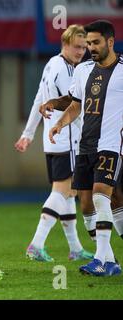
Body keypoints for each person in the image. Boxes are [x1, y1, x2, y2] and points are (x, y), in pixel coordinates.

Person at [49, 20, 122, 276]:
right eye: (88, 43)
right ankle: (111, 261)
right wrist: (60, 122)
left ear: (110, 42)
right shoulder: (83, 70)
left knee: (102, 196)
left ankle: (100, 261)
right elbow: (76, 104)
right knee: (89, 205)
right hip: (86, 146)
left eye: (95, 43)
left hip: (112, 145)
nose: (90, 47)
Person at [14, 25, 93, 262]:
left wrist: (28, 134)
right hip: (68, 139)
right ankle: (36, 244)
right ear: (65, 44)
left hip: (53, 142)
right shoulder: (68, 71)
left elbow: (40, 98)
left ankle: (75, 248)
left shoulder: (51, 64)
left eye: (84, 47)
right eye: (77, 47)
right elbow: (75, 106)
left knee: (69, 195)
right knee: (64, 191)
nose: (81, 52)